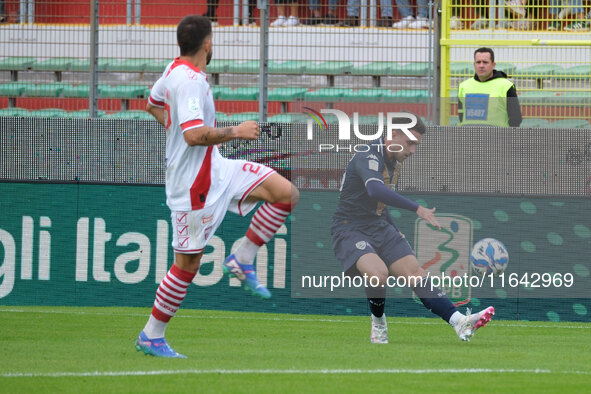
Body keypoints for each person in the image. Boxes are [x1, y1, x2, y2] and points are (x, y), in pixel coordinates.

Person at [136, 15, 299, 358]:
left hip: (217, 168)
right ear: (207, 44)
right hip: (192, 186)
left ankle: (243, 257)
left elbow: (152, 104)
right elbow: (194, 135)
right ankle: (152, 335)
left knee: (285, 193)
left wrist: (176, 126)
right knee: (187, 265)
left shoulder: (172, 71)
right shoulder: (190, 81)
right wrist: (236, 131)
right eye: (214, 39)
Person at [330, 113, 495, 344]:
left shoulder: (393, 162)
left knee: (416, 274)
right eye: (410, 143)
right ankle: (378, 324)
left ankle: (459, 321)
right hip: (350, 227)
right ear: (393, 135)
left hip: (378, 225)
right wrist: (417, 208)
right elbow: (375, 191)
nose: (413, 150)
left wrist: (394, 229)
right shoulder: (368, 155)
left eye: (416, 144)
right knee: (378, 275)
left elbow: (379, 204)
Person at [458, 47, 522, 127]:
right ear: (474, 65)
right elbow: (461, 115)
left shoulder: (506, 86)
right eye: (478, 62)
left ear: (493, 65)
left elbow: (516, 119)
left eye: (485, 62)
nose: (481, 65)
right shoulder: (464, 86)